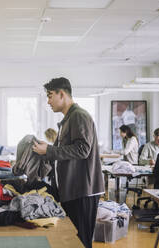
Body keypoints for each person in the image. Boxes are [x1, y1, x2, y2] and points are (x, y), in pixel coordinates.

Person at [32, 77, 104, 248]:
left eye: (50, 96)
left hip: (83, 191)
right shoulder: (67, 119)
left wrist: (49, 150)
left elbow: (82, 150)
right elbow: (67, 150)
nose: (48, 101)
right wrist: (48, 148)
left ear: (62, 94)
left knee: (80, 240)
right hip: (72, 189)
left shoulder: (79, 116)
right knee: (71, 238)